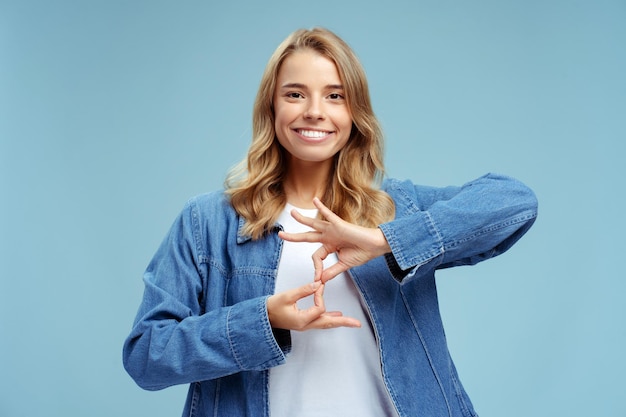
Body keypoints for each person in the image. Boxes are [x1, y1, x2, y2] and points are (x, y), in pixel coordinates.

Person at [123, 27, 538, 417]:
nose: (315, 112)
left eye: (335, 95)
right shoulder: (208, 223)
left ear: (355, 112)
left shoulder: (398, 208)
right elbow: (146, 356)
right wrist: (264, 319)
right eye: (295, 94)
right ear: (272, 106)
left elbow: (515, 201)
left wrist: (384, 240)